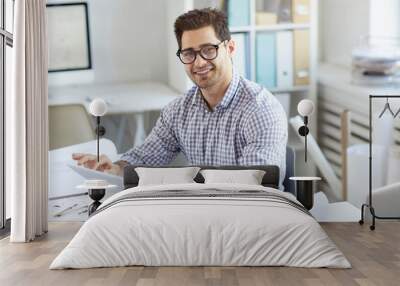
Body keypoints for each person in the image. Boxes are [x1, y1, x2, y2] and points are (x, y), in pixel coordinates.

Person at [73, 8, 287, 185]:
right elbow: (146, 157)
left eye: (208, 50)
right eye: (189, 53)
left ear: (230, 48)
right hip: (203, 213)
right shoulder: (178, 110)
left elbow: (253, 188)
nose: (199, 62)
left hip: (254, 217)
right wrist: (114, 169)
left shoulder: (261, 110)